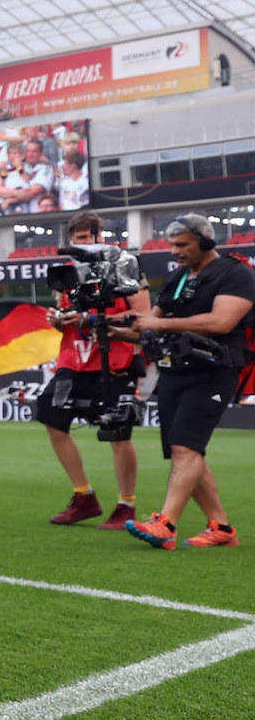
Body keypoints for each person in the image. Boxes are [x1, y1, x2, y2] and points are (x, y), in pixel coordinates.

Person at [117, 215, 255, 549]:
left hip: (214, 371)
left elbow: (222, 322)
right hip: (174, 369)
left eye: (182, 245)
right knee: (187, 451)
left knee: (185, 448)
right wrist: (100, 326)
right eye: (172, 245)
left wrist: (162, 325)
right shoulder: (178, 276)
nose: (175, 252)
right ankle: (222, 528)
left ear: (206, 242)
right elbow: (152, 323)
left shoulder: (237, 274)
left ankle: (166, 524)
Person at [42, 211, 149, 529]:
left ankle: (126, 505)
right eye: (77, 241)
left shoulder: (126, 265)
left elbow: (142, 316)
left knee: (118, 432)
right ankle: (84, 496)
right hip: (73, 361)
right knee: (51, 417)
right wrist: (59, 320)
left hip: (115, 359)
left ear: (101, 237)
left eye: (87, 239)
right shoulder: (70, 274)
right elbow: (68, 318)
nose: (83, 246)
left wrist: (93, 320)